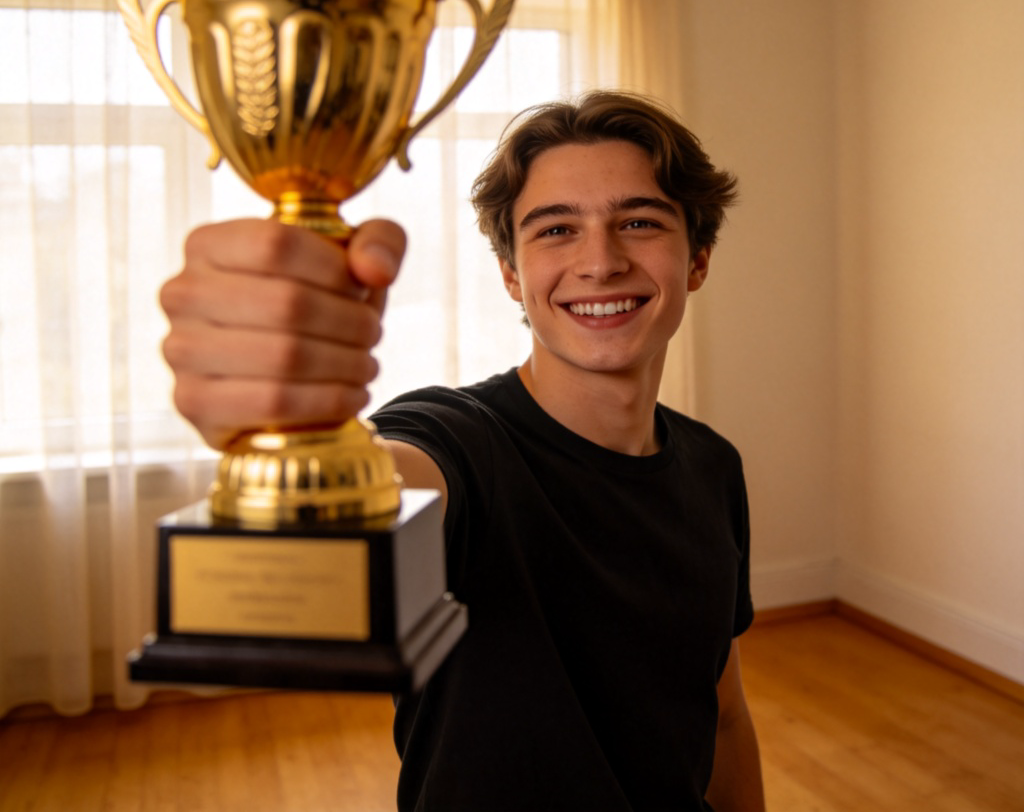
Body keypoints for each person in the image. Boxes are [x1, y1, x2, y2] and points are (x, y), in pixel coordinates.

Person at [160, 90, 766, 812]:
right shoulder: (456, 440)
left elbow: (724, 715)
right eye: (556, 230)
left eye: (638, 222)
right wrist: (287, 430)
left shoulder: (713, 466)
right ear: (512, 276)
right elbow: (385, 484)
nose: (599, 262)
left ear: (696, 259)